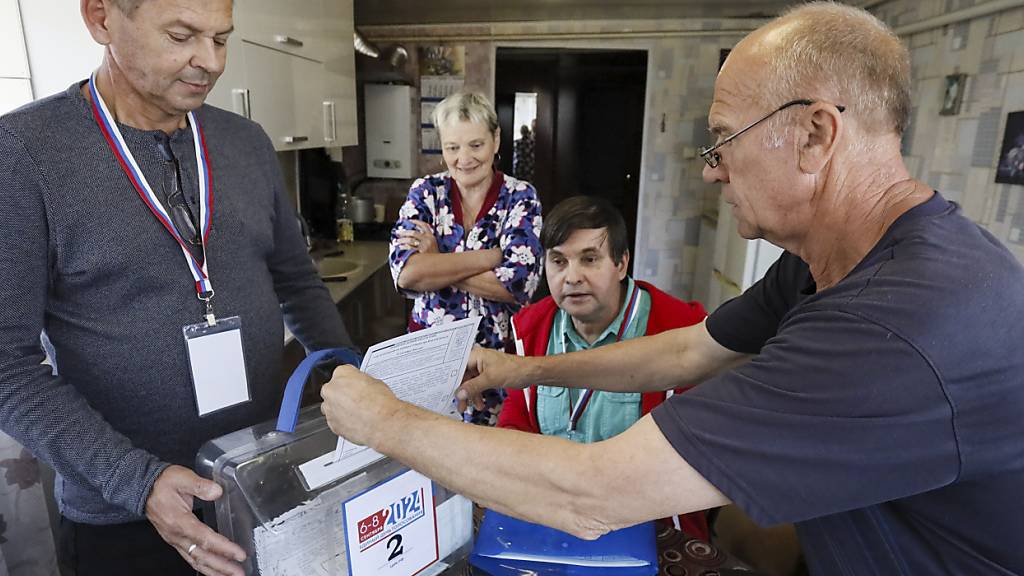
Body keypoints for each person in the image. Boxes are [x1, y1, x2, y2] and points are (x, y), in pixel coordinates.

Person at [321, 3, 1024, 574]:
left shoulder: (895, 326)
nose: (712, 170)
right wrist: (524, 367)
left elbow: (594, 494)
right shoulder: (837, 257)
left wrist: (385, 422)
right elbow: (690, 351)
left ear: (815, 135)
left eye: (723, 140)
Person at [0, 1, 354, 575]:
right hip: (123, 517)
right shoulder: (24, 153)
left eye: (222, 39)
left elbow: (298, 284)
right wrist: (137, 481)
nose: (209, 62)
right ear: (100, 19)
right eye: (183, 36)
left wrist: (349, 379)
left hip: (262, 482)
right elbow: (6, 362)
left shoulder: (245, 142)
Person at [498, 195, 710, 540]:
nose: (572, 277)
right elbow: (515, 422)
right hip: (553, 521)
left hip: (649, 530)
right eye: (558, 261)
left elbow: (696, 461)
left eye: (589, 259)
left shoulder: (682, 332)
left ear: (622, 264)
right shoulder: (530, 330)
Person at [389, 91, 543, 424]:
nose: (464, 159)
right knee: (427, 451)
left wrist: (439, 260)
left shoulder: (521, 197)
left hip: (496, 362)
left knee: (494, 460)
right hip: (431, 358)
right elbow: (407, 273)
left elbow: (517, 285)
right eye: (452, 147)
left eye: (476, 145)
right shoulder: (425, 192)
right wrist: (491, 257)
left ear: (496, 140)